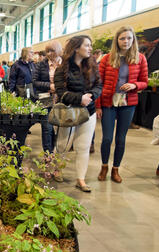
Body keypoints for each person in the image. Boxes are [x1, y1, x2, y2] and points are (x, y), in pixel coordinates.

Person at [96, 26, 148, 183]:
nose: (126, 41)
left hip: (128, 103)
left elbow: (144, 82)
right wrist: (98, 106)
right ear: (117, 40)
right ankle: (104, 166)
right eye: (122, 38)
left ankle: (115, 169)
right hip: (108, 102)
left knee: (121, 139)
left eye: (129, 38)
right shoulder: (107, 58)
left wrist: (134, 85)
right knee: (106, 138)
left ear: (133, 40)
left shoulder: (140, 58)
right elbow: (99, 83)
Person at [54, 35, 103, 192]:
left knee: (84, 146)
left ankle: (80, 179)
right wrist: (78, 98)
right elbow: (60, 92)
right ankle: (57, 169)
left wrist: (91, 96)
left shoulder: (92, 65)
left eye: (90, 45)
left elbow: (98, 85)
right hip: (68, 112)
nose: (90, 48)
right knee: (63, 144)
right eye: (87, 45)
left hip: (88, 112)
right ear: (76, 48)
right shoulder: (62, 69)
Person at [33, 41, 63, 156]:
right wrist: (50, 86)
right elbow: (35, 82)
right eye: (47, 51)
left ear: (59, 51)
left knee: (60, 129)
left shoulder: (65, 64)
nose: (49, 54)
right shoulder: (41, 64)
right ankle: (48, 156)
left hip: (62, 100)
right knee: (47, 128)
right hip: (45, 99)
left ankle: (55, 151)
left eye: (52, 51)